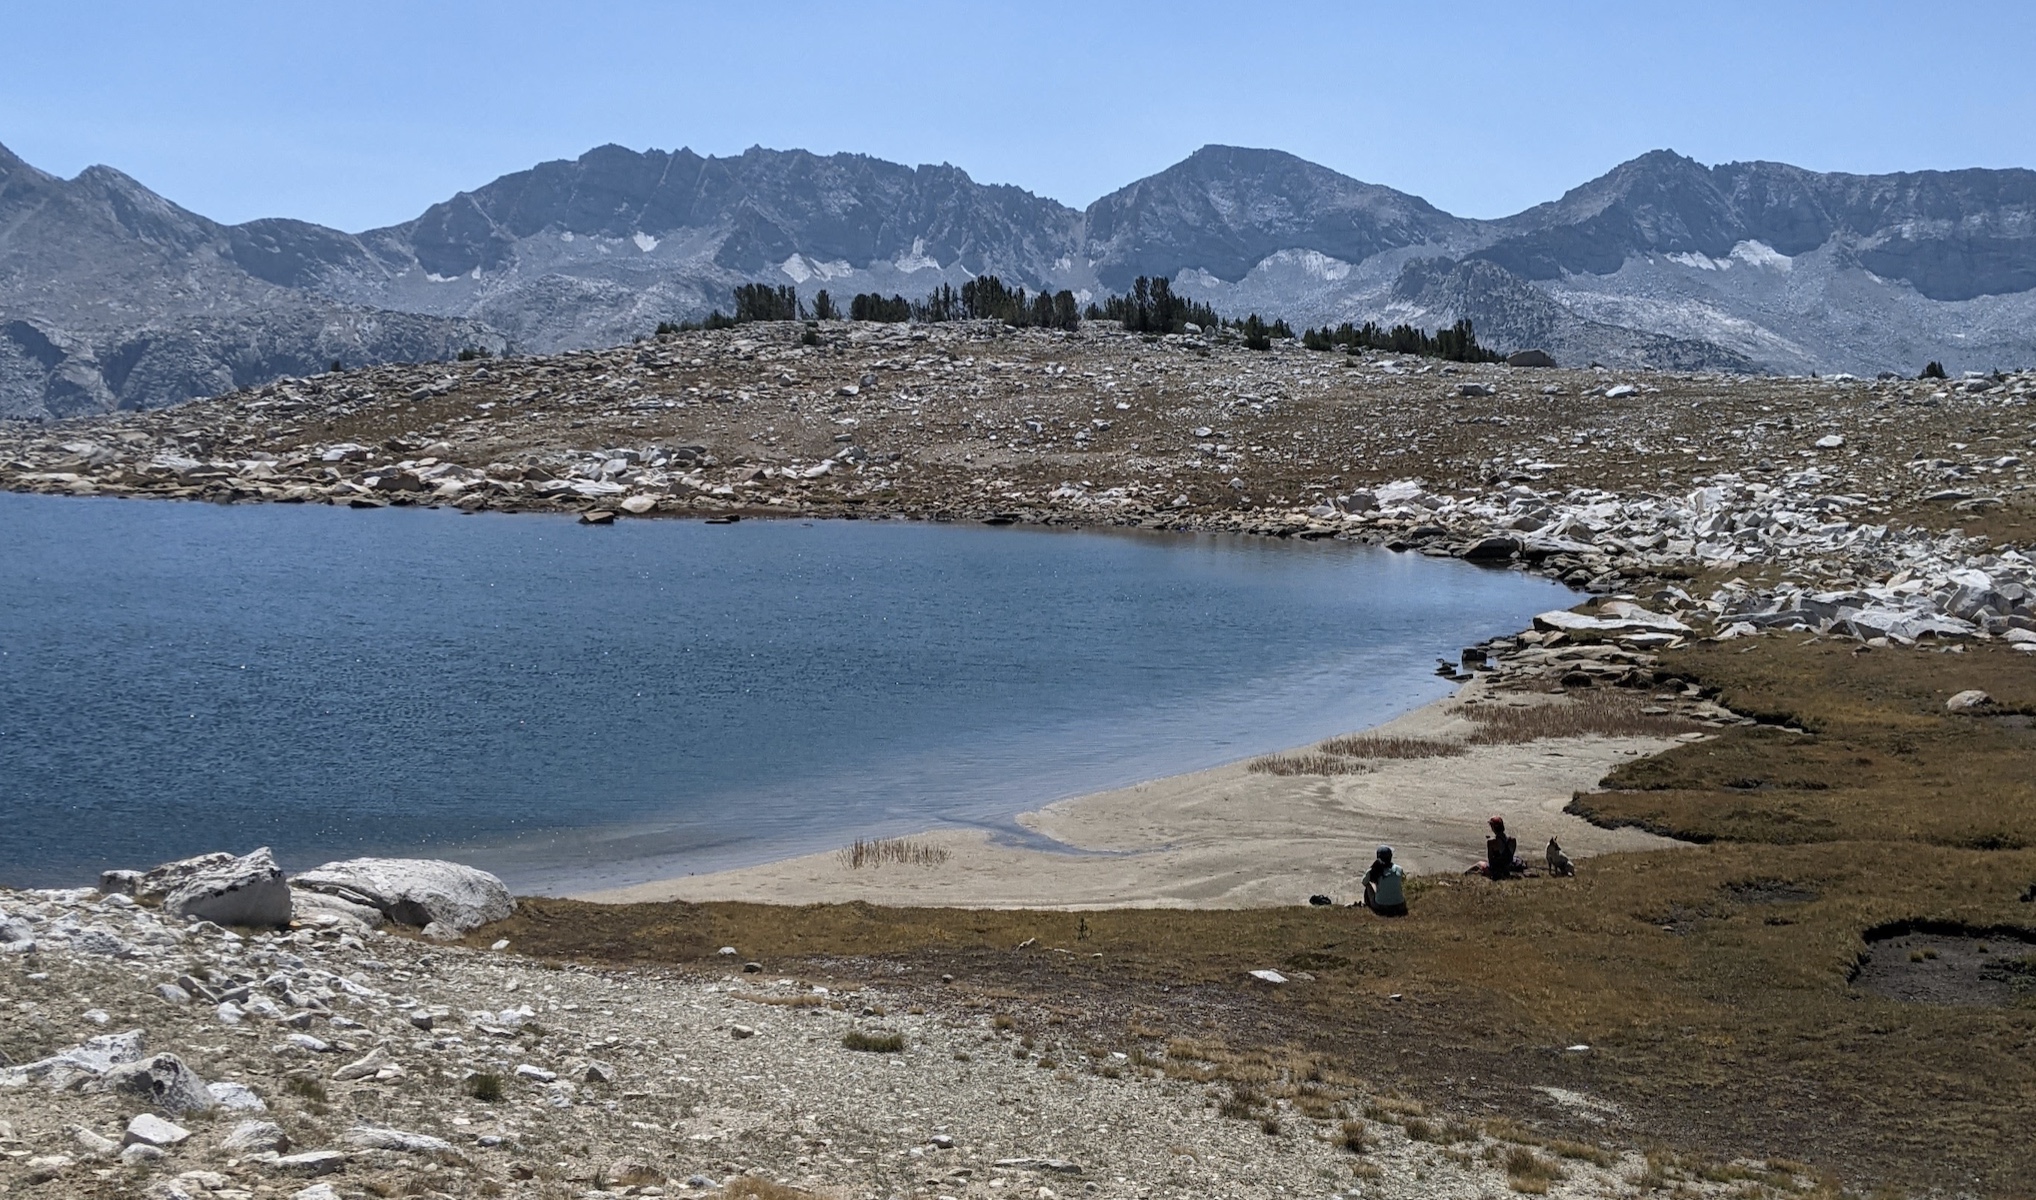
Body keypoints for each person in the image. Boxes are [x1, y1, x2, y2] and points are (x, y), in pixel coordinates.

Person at [1362, 846, 1407, 916]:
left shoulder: (1373, 870)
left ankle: (1367, 904)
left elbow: (1364, 882)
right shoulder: (1399, 869)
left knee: (1368, 885)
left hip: (1380, 906)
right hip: (1400, 906)